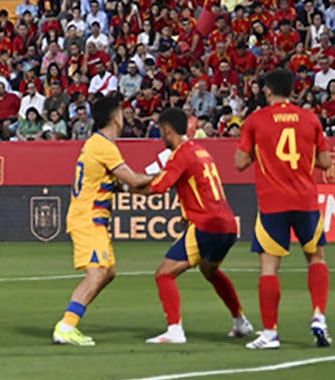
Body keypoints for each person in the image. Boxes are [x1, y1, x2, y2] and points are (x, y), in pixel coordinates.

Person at [234, 68, 333, 350]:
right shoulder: (309, 118)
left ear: (267, 91)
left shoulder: (256, 120)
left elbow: (240, 163)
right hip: (305, 200)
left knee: (269, 267)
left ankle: (270, 333)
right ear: (292, 90)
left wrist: (260, 151)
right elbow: (325, 162)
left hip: (272, 202)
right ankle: (319, 316)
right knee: (316, 258)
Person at [137, 108, 253, 344]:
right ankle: (240, 321)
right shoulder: (200, 150)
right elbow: (196, 185)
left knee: (164, 274)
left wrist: (125, 185)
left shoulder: (181, 154)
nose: (160, 135)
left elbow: (157, 187)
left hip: (207, 224)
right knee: (210, 271)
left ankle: (174, 330)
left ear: (168, 130)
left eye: (160, 130)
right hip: (227, 225)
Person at [52, 94, 152, 346]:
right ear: (116, 118)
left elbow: (125, 186)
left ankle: (69, 323)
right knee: (97, 273)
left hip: (93, 217)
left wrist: (153, 184)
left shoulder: (97, 144)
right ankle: (66, 326)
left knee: (108, 272)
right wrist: (167, 172)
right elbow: (134, 180)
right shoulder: (104, 146)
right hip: (88, 217)